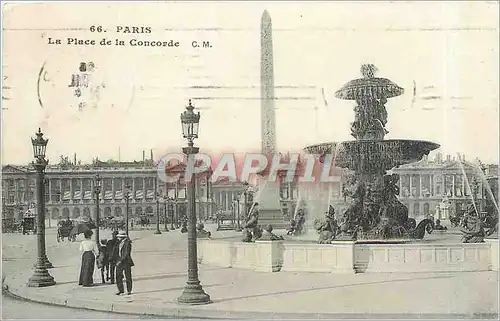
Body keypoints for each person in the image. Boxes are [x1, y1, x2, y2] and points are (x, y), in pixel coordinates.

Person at [112, 231, 134, 295]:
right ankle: (120, 290)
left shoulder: (128, 243)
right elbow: (116, 251)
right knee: (118, 276)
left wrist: (120, 260)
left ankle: (129, 290)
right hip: (119, 261)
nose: (118, 238)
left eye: (119, 237)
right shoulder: (118, 243)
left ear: (122, 237)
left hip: (126, 261)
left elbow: (126, 253)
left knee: (128, 276)